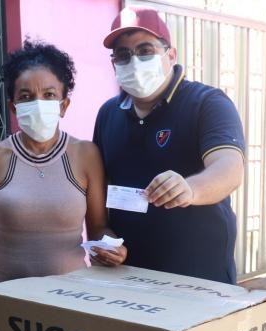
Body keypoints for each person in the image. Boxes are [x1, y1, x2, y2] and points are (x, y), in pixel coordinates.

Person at [93, 6, 246, 283]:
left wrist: (190, 189)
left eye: (145, 50)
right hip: (128, 277)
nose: (134, 61)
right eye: (123, 54)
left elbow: (229, 168)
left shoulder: (206, 103)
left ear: (171, 55)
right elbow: (99, 187)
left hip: (199, 278)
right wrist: (103, 237)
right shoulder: (108, 114)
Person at [0, 40, 126, 282]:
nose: (38, 104)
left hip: (72, 297)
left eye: (49, 95)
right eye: (26, 96)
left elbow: (98, 228)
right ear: (13, 107)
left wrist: (113, 248)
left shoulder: (86, 155)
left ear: (63, 105)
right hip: (8, 297)